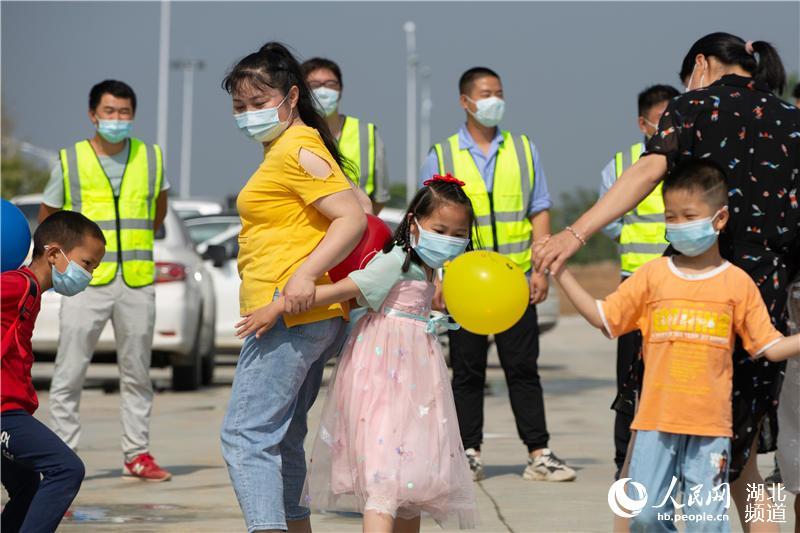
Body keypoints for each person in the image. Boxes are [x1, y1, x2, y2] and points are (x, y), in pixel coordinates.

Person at [534, 32, 800, 527]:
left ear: (701, 65)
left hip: (689, 289)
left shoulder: (692, 108)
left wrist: (575, 233)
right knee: (746, 464)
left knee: (639, 459)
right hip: (765, 289)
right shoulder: (792, 121)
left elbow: (647, 170)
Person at [555, 159, 800, 532]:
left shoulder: (737, 283)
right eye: (671, 217)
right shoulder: (652, 276)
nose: (679, 225)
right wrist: (561, 273)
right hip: (655, 425)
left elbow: (769, 347)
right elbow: (605, 319)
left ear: (719, 219)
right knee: (646, 515)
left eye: (689, 216)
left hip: (710, 430)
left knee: (706, 522)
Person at [237, 175, 479, 533]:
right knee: (385, 471)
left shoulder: (430, 268)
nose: (448, 241)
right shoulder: (395, 262)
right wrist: (280, 307)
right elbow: (343, 290)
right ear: (414, 224)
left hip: (419, 373)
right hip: (384, 372)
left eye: (458, 235)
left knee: (411, 473)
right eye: (440, 229)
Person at [219, 42, 367, 533]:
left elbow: (351, 218)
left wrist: (302, 277)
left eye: (259, 103)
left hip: (290, 316)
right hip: (301, 317)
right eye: (240, 106)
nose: (248, 115)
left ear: (292, 96)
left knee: (246, 436)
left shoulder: (297, 147)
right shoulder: (289, 147)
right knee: (281, 437)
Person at [420, 67, 574, 482]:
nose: (494, 100)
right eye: (486, 93)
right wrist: (436, 280)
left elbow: (538, 208)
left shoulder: (523, 149)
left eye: (499, 92)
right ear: (465, 101)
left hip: (515, 280)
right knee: (467, 371)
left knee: (523, 368)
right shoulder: (443, 153)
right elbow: (428, 222)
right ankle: (467, 451)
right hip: (464, 284)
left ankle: (539, 453)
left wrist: (540, 269)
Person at [39, 79, 172, 481]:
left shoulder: (151, 157)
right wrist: (64, 266)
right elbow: (48, 218)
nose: (117, 119)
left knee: (138, 373)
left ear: (133, 115)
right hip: (83, 283)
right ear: (93, 114)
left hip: (135, 279)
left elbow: (158, 213)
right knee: (69, 372)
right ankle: (61, 458)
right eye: (110, 111)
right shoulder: (71, 159)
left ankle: (137, 454)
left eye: (125, 112)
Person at [2, 211, 106, 533]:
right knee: (66, 469)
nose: (88, 275)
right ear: (53, 254)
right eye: (86, 264)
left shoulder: (30, 293)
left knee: (28, 483)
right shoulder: (17, 285)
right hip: (3, 412)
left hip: (11, 408)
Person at [598, 84, 680, 478]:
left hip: (684, 286)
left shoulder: (694, 159)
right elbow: (612, 223)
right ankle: (624, 463)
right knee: (630, 378)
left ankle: (675, 459)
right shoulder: (621, 165)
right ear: (642, 124)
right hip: (637, 289)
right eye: (661, 120)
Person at [302, 57, 391, 214]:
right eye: (314, 85)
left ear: (340, 90)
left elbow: (380, 197)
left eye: (331, 84)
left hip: (359, 231)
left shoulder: (367, 133)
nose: (323, 91)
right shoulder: (295, 134)